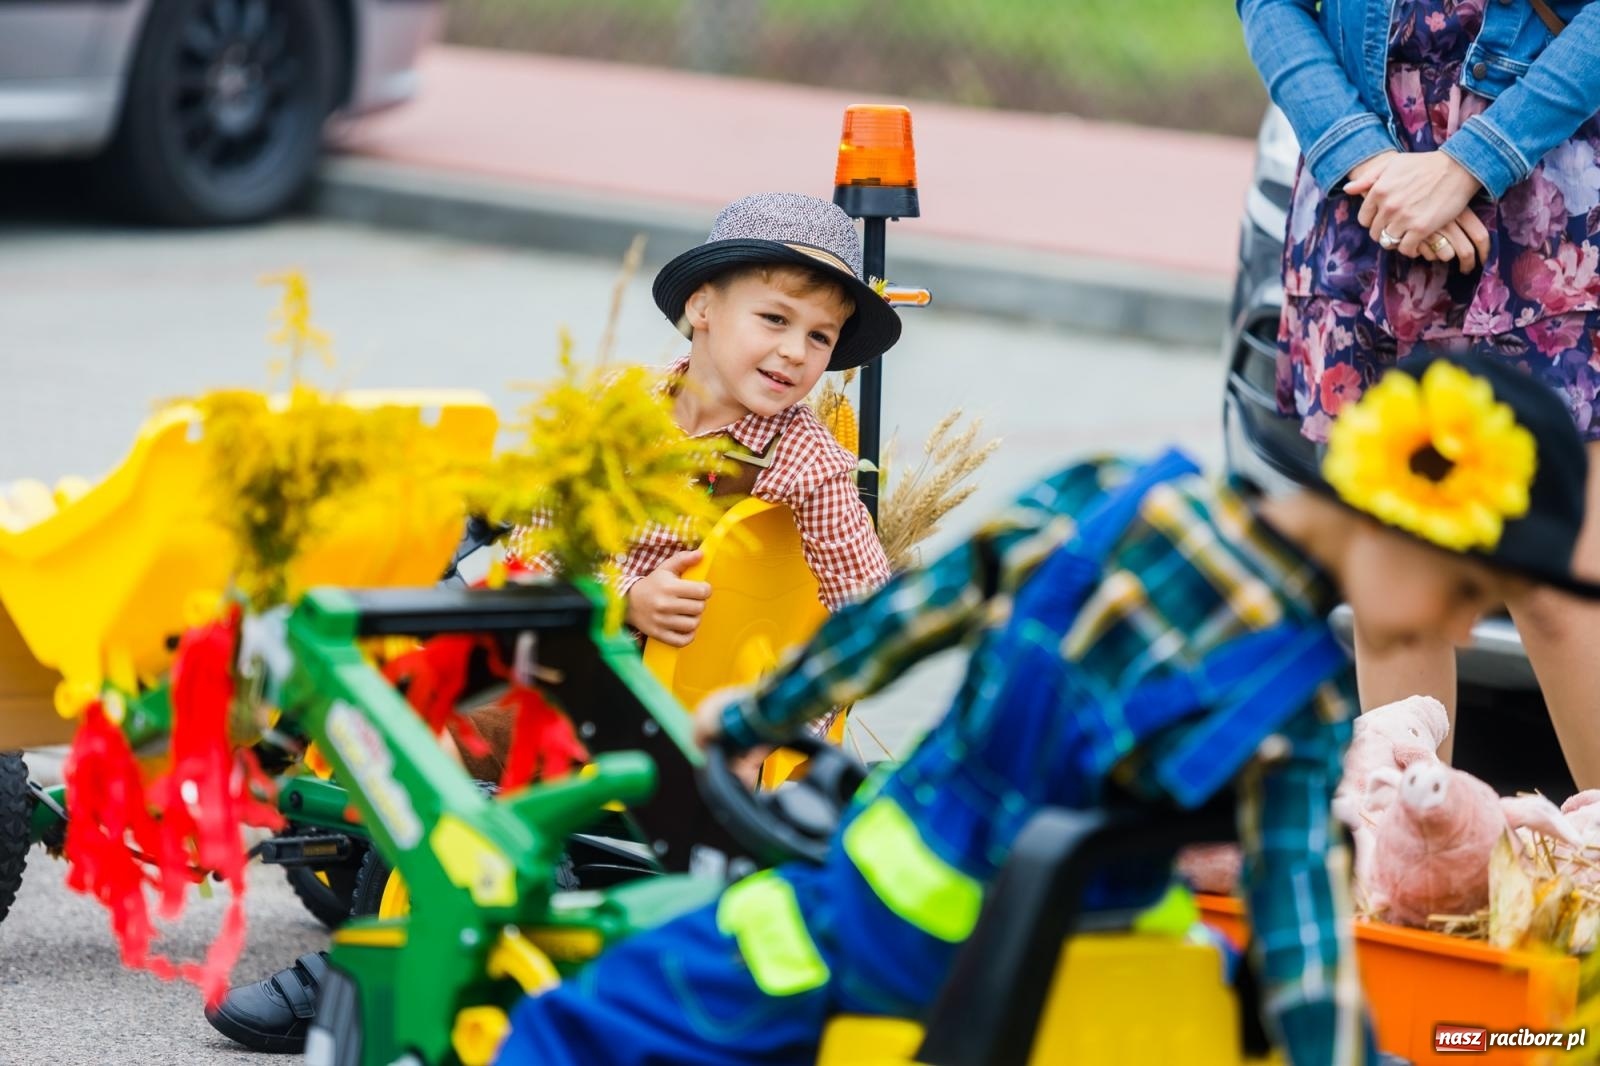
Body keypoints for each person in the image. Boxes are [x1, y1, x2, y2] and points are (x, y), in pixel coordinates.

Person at [498, 349, 1600, 1066]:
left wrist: (750, 720)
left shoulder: (1112, 499)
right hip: (1121, 961)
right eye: (1465, 591)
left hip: (892, 929)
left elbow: (908, 617)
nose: (1457, 630)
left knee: (575, 1024)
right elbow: (1302, 944)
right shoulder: (1299, 715)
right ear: (1401, 520)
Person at [205, 191, 903, 1054]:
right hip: (574, 667)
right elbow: (529, 558)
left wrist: (806, 691)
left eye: (819, 337)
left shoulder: (811, 464)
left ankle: (357, 967)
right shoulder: (620, 421)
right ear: (701, 309)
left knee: (436, 757)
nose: (795, 353)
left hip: (658, 712)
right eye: (775, 319)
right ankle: (325, 788)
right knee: (434, 671)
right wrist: (621, 599)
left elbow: (868, 602)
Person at [1237, 0, 1600, 777]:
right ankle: (1410, 887)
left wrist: (1471, 162)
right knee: (1395, 590)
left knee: (1556, 591)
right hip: (1363, 204)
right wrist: (1365, 162)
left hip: (1543, 208)